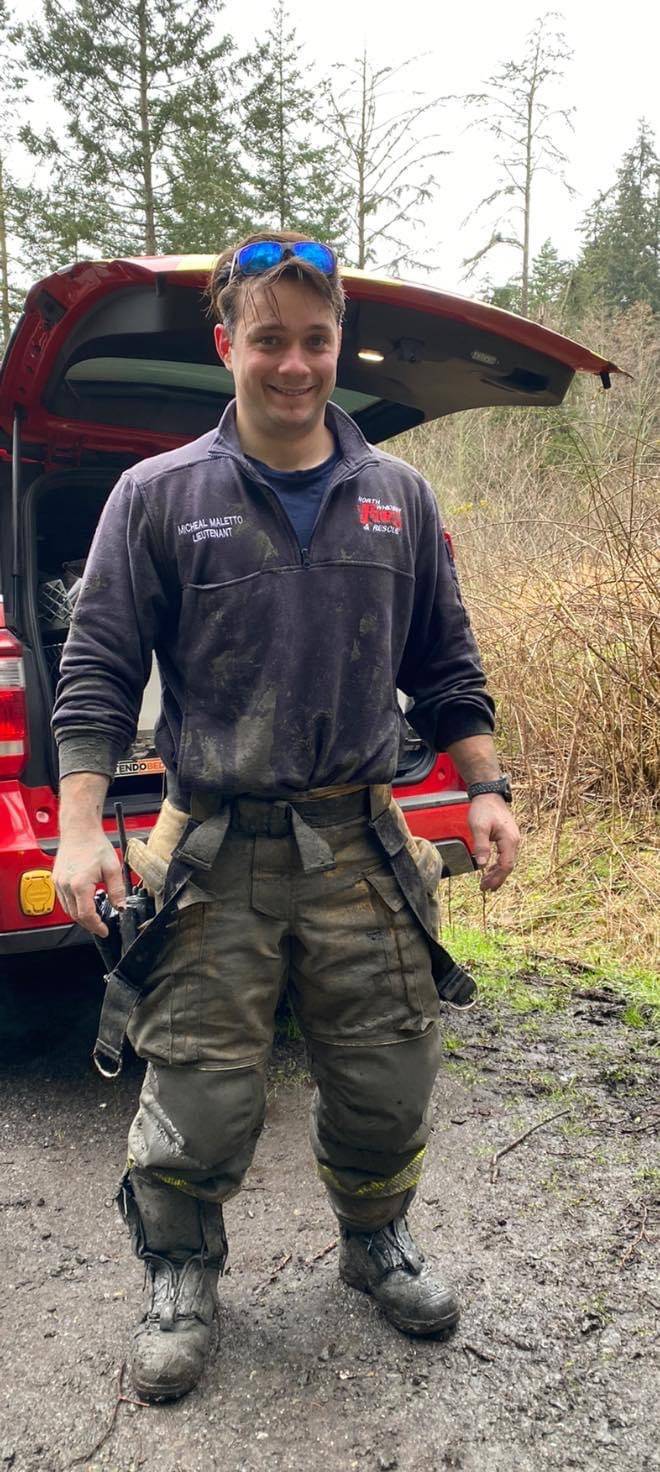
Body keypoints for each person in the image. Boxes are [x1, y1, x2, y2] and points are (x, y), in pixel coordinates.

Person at [52, 230, 520, 1403]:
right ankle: (178, 1274)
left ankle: (375, 1243)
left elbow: (448, 662)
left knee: (385, 1073)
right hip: (210, 844)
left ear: (337, 346)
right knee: (201, 1085)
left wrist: (486, 784)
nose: (296, 363)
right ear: (229, 347)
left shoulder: (398, 498)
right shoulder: (154, 497)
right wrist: (78, 822)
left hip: (366, 842)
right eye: (270, 339)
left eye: (316, 340)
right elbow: (98, 668)